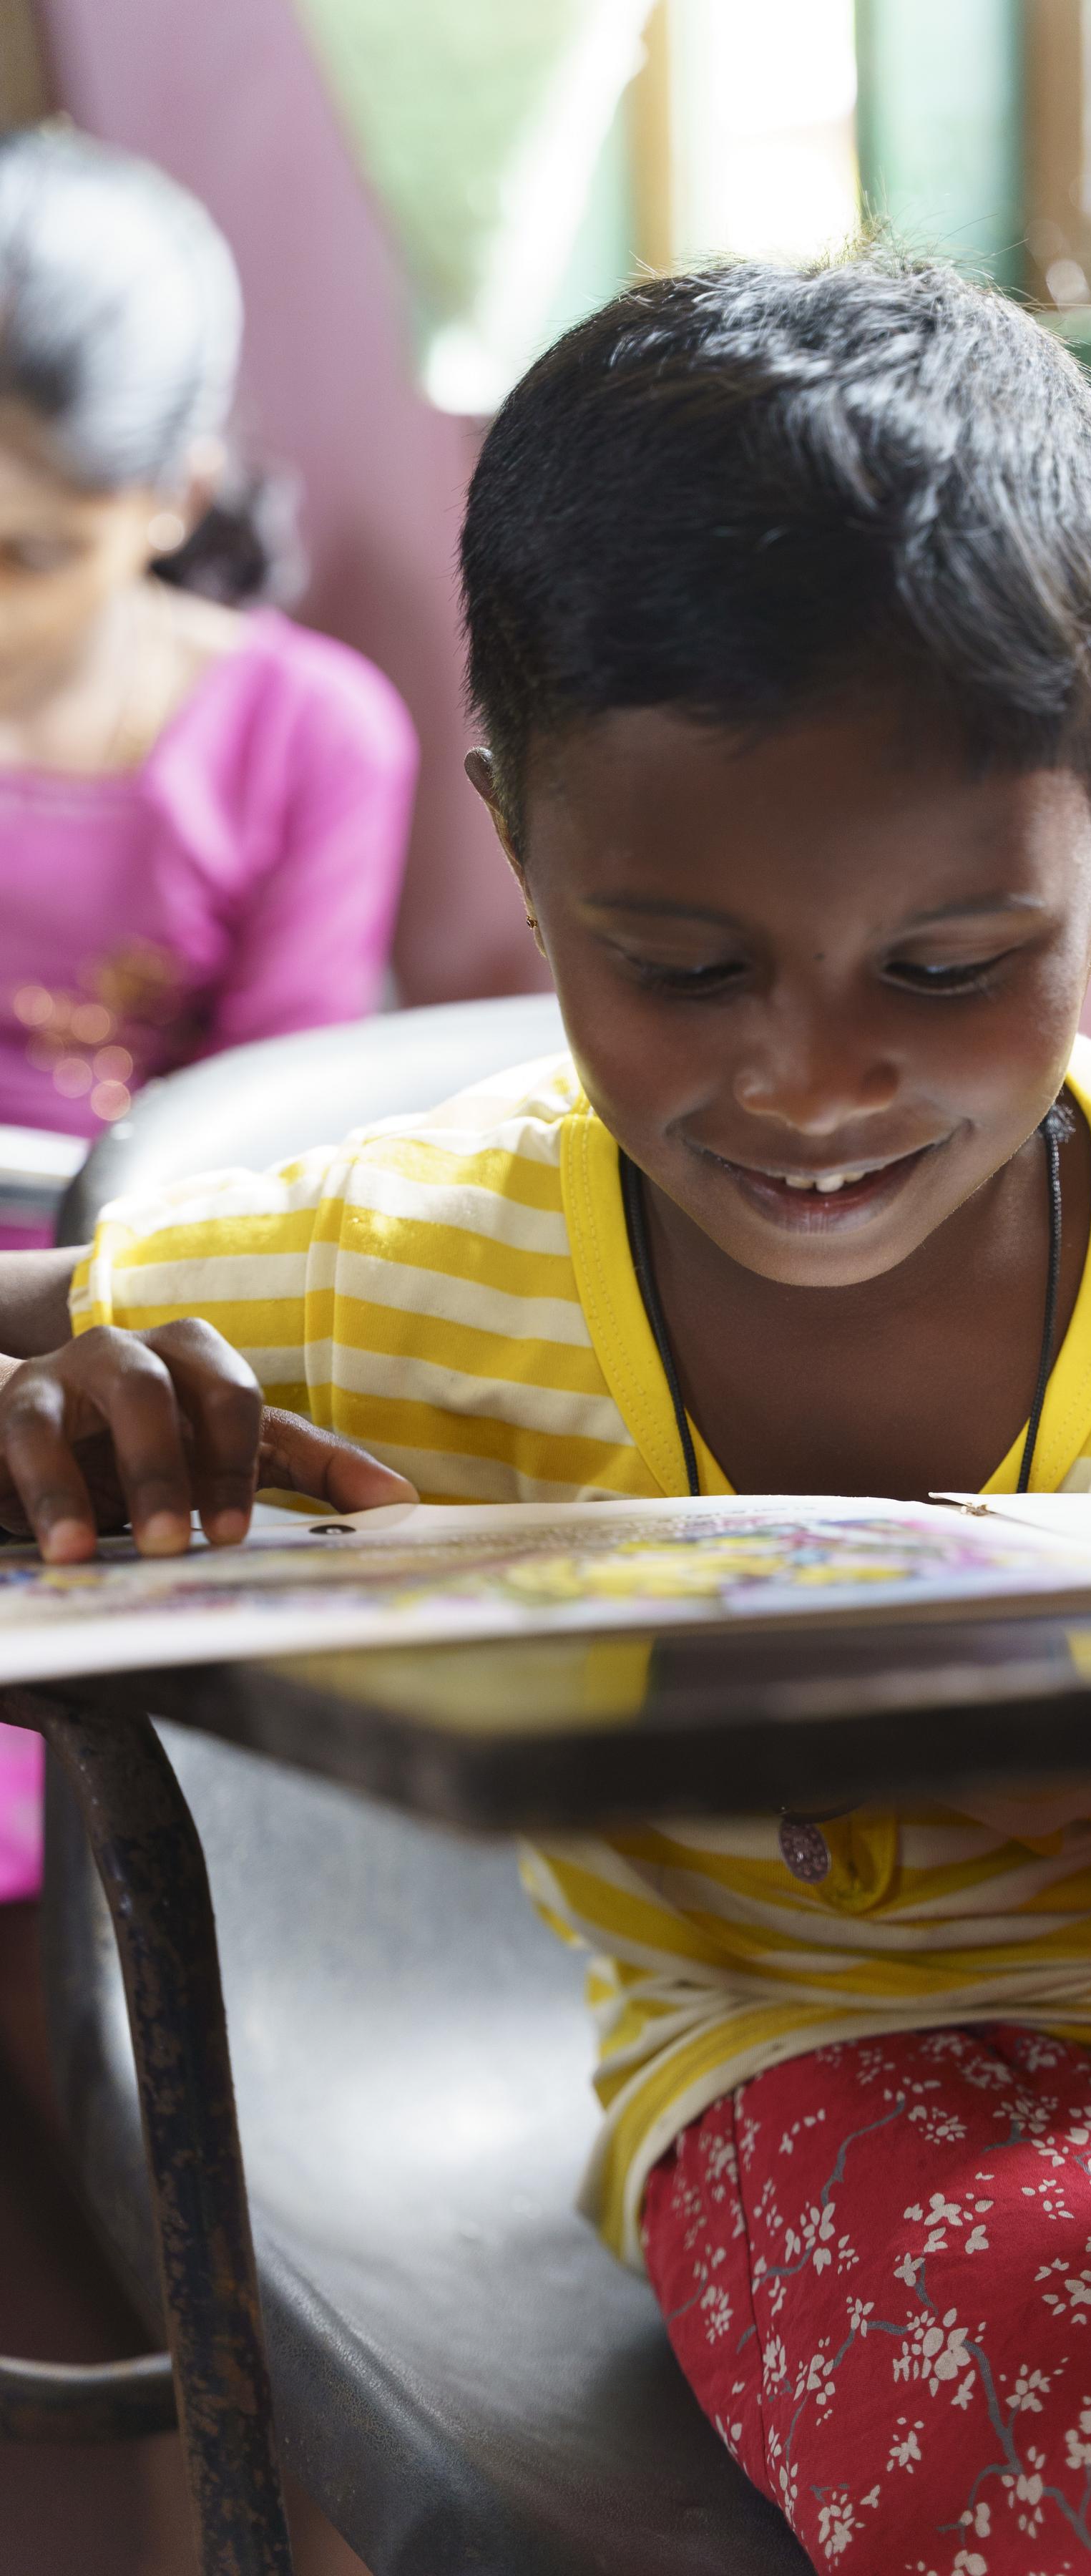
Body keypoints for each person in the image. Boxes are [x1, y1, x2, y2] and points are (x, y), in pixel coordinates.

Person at [0, 250, 1091, 2573]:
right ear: (520, 848)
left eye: (951, 967)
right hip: (793, 2074)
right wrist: (62, 1409)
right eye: (681, 969)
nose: (809, 1082)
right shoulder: (374, 1267)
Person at [0, 125, 416, 1900]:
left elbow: (261, 1154)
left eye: (31, 551)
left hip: (137, 1342)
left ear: (173, 494)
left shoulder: (308, 736)